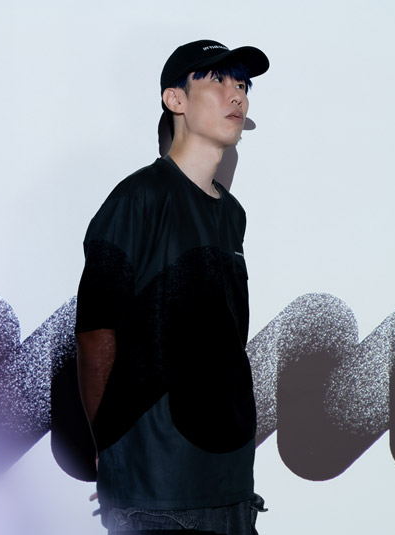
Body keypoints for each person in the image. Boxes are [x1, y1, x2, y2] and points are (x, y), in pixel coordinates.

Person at [75, 39, 269, 535]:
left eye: (243, 84)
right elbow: (95, 332)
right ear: (175, 99)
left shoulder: (233, 214)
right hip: (157, 490)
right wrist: (112, 446)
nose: (237, 94)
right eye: (218, 80)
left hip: (230, 484)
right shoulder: (138, 198)